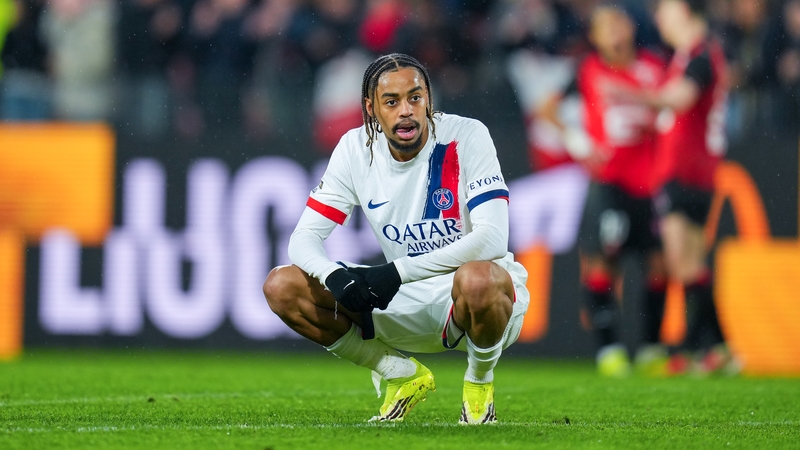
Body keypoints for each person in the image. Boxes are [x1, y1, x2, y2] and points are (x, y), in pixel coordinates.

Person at [263, 53, 529, 424]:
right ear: (371, 108)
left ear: (429, 101)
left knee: (479, 277)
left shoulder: (467, 136)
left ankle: (479, 383)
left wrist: (397, 271)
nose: (406, 111)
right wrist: (333, 277)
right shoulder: (355, 150)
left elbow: (494, 239)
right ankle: (397, 372)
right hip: (399, 298)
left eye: (415, 98)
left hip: (473, 298)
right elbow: (303, 238)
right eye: (392, 102)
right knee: (282, 285)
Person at [539, 4, 668, 377]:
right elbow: (546, 110)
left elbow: (671, 109)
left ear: (629, 27)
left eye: (617, 23)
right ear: (594, 37)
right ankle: (609, 350)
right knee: (602, 264)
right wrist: (576, 139)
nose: (613, 32)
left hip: (649, 182)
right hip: (609, 181)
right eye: (603, 27)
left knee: (658, 265)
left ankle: (650, 348)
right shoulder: (587, 70)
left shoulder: (654, 67)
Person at [623, 0, 734, 374]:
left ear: (686, 11)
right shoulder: (692, 56)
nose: (659, 19)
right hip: (697, 171)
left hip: (686, 172)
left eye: (665, 10)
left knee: (681, 263)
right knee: (692, 265)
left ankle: (696, 347)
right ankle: (717, 348)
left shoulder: (700, 57)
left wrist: (630, 95)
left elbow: (680, 98)